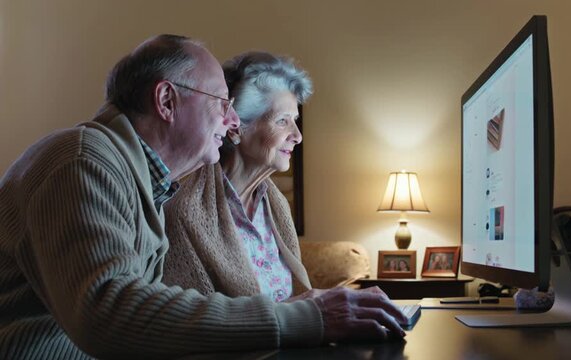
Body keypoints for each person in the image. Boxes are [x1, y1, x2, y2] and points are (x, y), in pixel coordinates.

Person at [0, 35, 406, 359]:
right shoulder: (83, 160)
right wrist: (302, 318)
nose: (232, 122)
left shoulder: (145, 181)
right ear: (166, 101)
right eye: (221, 103)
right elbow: (109, 312)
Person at [163, 51, 312, 301]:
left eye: (295, 120)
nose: (297, 136)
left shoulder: (275, 206)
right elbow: (193, 315)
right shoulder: (186, 209)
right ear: (236, 129)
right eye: (283, 121)